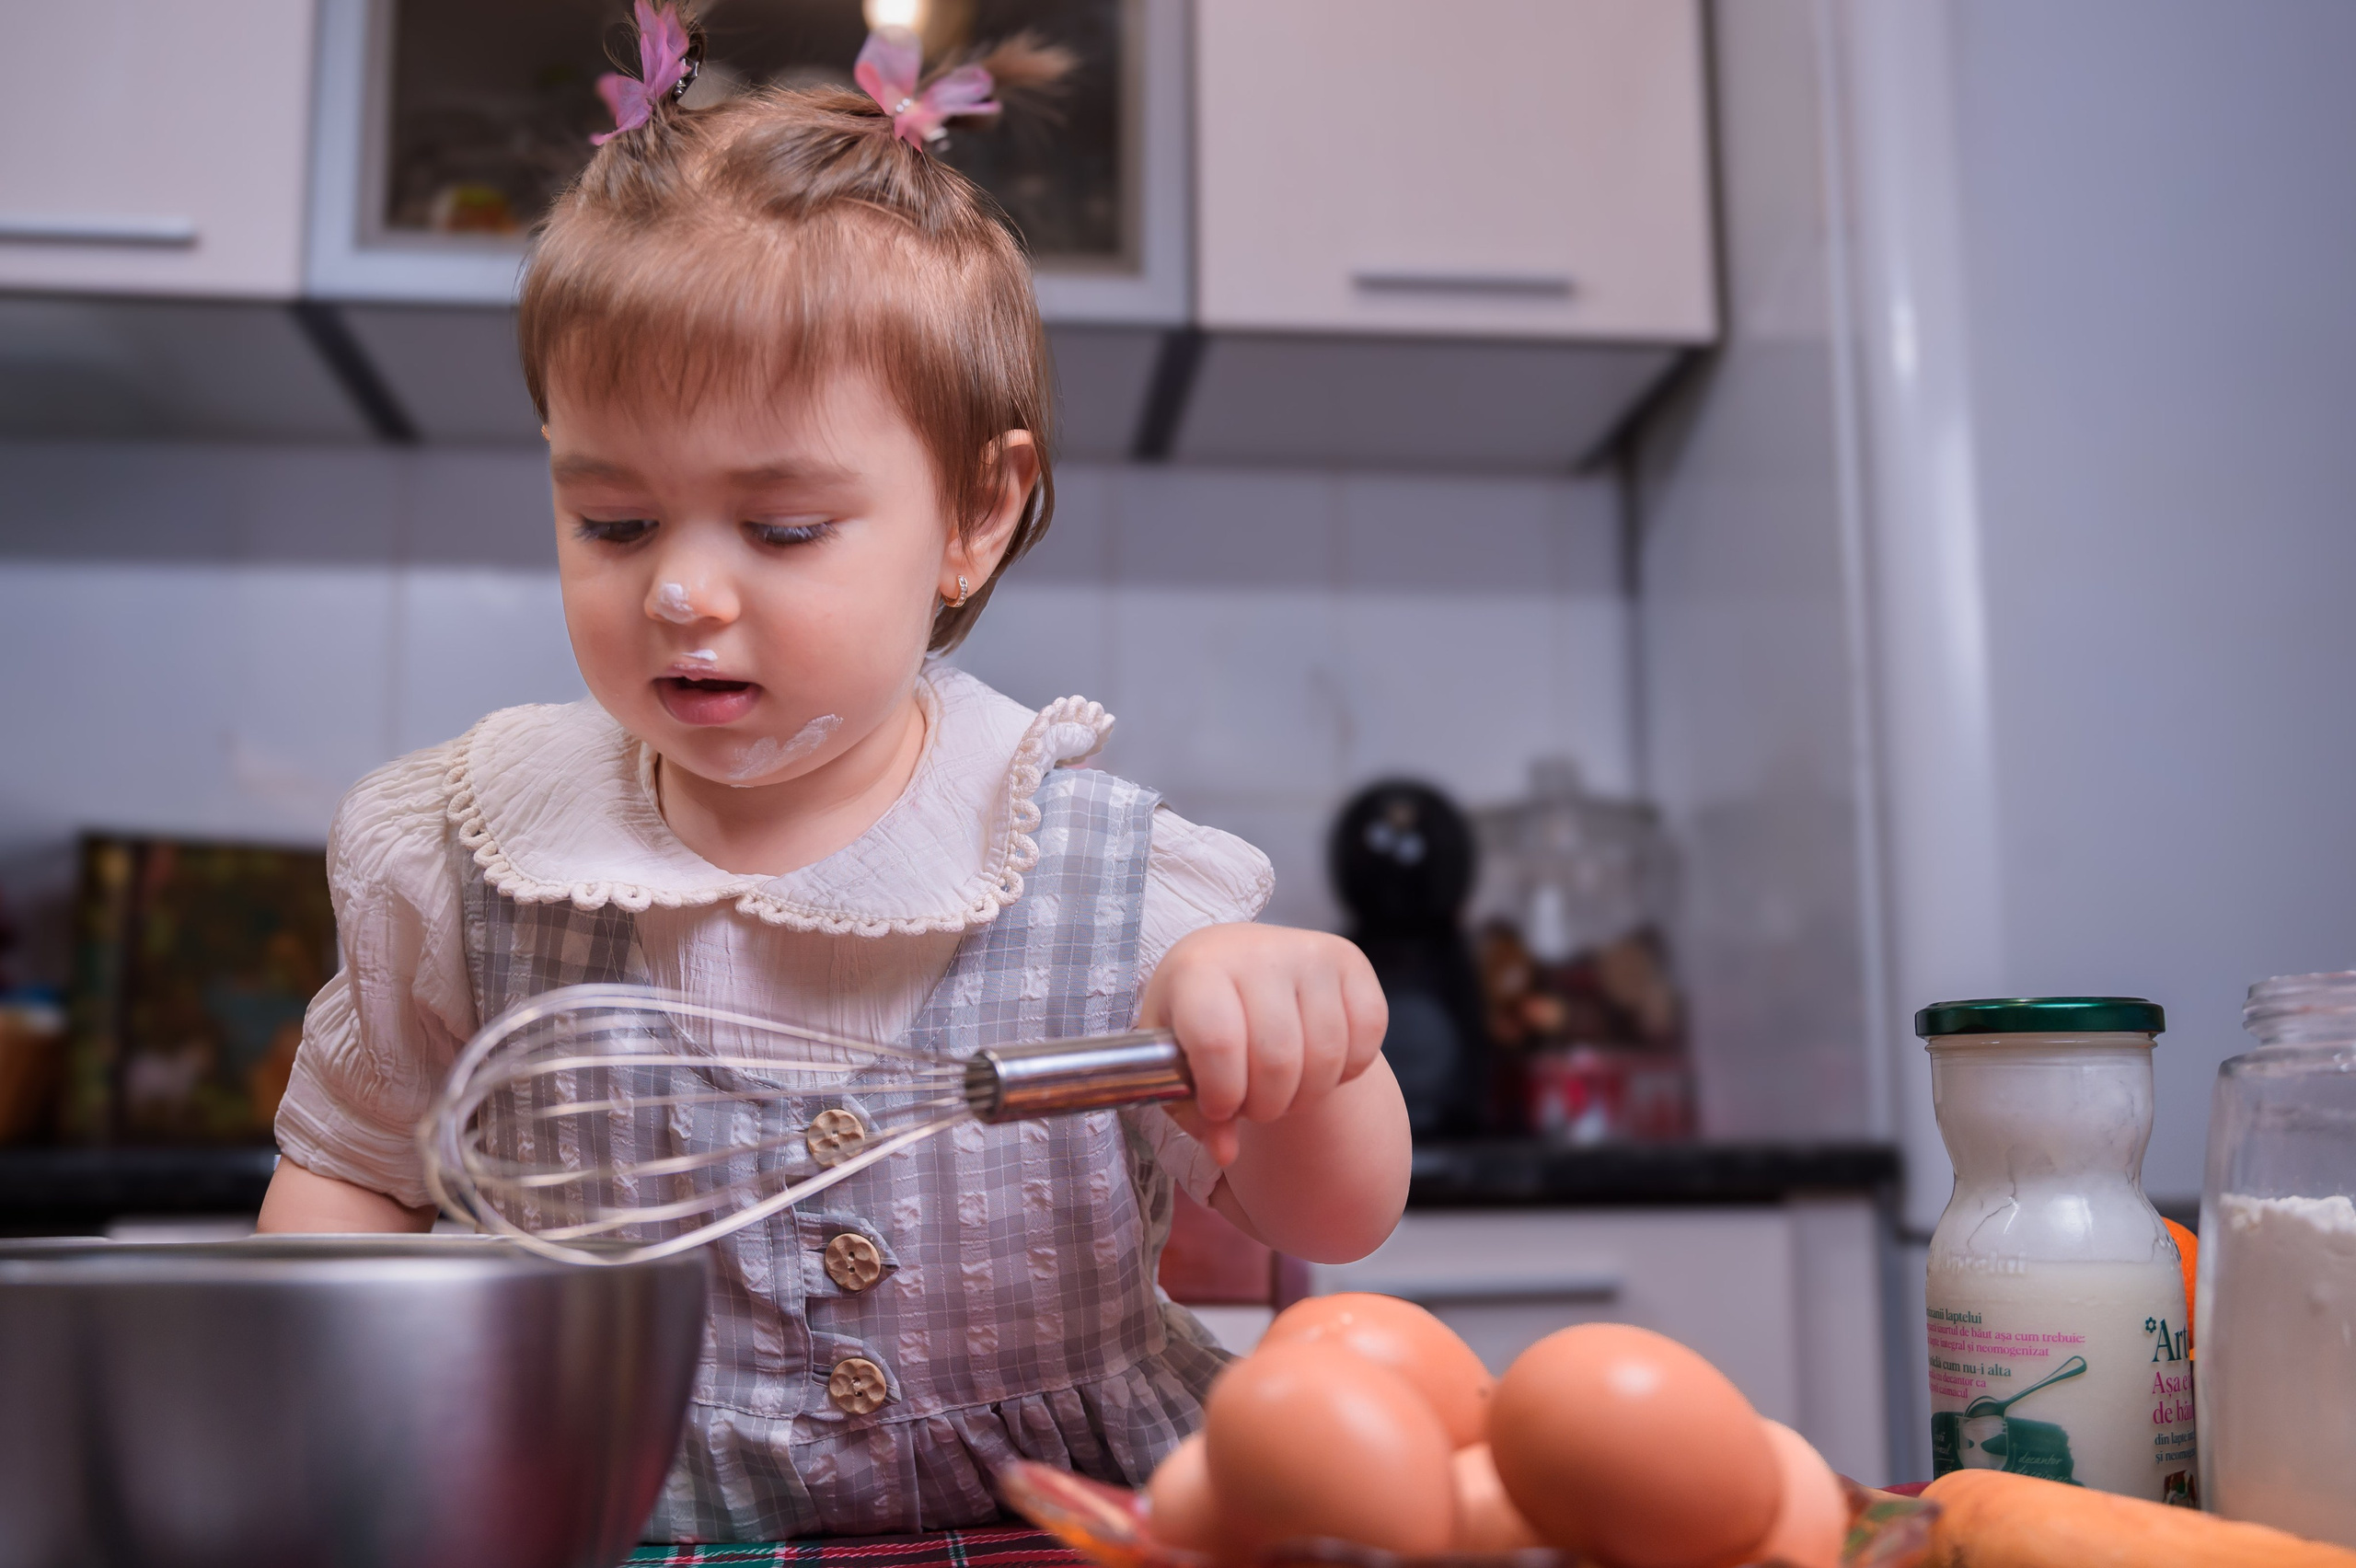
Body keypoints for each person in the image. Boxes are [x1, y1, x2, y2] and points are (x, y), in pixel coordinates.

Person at [253, 3, 1409, 1540]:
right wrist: (362, 1429)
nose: (680, 594)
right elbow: (351, 1174)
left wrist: (1300, 1037)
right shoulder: (465, 858)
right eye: (613, 522)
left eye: (783, 529)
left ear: (975, 516)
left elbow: (1334, 1213)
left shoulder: (1110, 886)